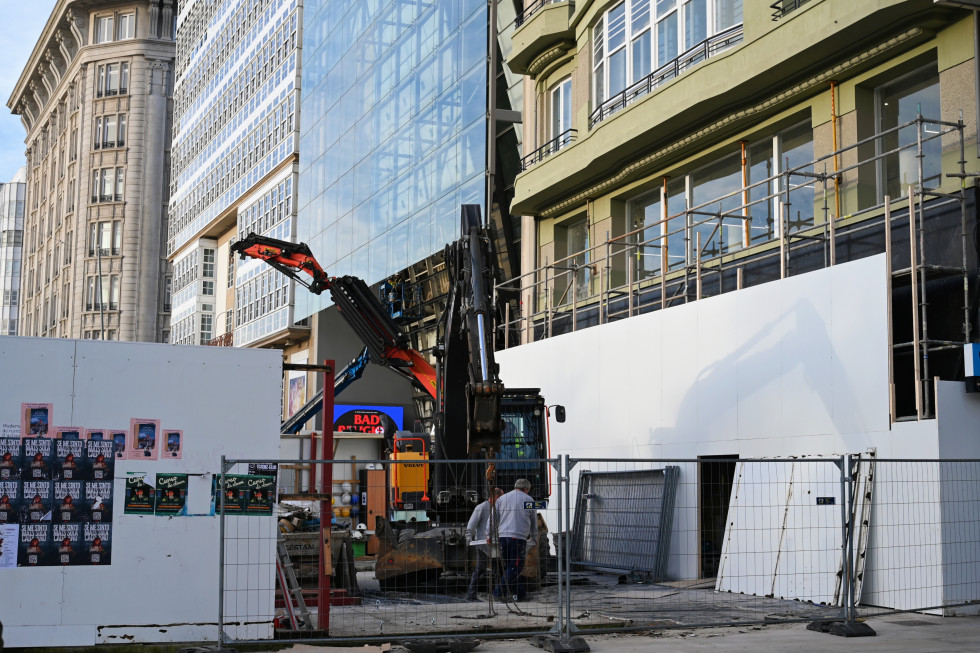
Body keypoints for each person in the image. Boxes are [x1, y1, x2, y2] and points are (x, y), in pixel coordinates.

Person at [492, 479, 538, 601]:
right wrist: (534, 536)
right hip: (517, 538)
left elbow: (493, 518)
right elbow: (534, 522)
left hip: (503, 537)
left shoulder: (502, 499)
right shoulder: (529, 500)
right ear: (526, 489)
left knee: (510, 567)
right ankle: (498, 593)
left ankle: (520, 595)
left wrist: (488, 534)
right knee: (515, 567)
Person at [464, 487, 503, 601]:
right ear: (496, 497)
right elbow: (471, 524)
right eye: (501, 497)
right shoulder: (481, 508)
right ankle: (471, 595)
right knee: (481, 569)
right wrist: (468, 537)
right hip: (483, 544)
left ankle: (498, 595)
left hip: (495, 544)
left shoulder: (498, 508)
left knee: (497, 569)